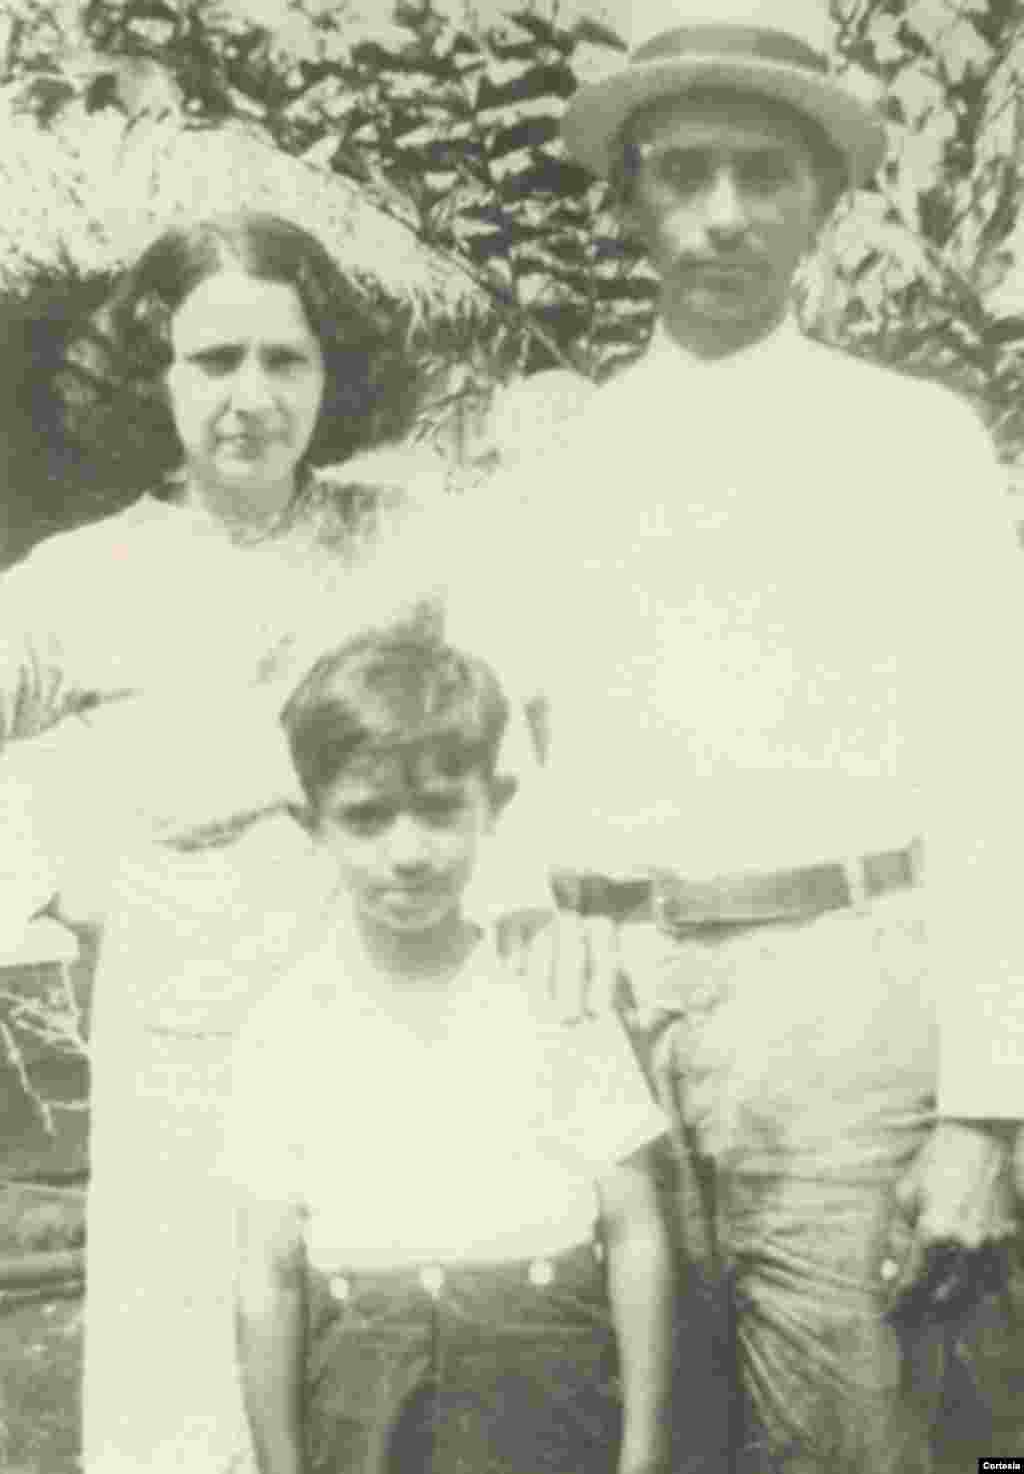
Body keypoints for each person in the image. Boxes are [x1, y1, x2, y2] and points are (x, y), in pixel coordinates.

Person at [445, 1, 1024, 1467]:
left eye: (763, 177)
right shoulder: (554, 454)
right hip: (602, 1011)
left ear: (824, 199)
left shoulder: (917, 443)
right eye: (684, 172)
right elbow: (476, 727)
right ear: (629, 195)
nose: (721, 216)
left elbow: (995, 767)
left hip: (839, 1003)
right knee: (616, 1430)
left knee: (849, 1427)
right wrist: (522, 894)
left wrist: (986, 1111)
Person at [0, 211, 448, 1473]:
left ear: (330, 371)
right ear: (155, 375)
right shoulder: (85, 575)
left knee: (379, 1374)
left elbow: (504, 736)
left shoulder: (402, 549)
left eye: (284, 360)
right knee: (186, 1400)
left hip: (386, 1014)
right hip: (183, 1049)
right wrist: (56, 850)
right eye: (213, 361)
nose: (250, 397)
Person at [226, 625, 677, 1474]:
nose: (408, 853)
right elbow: (269, 1276)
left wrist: (643, 1451)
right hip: (363, 1395)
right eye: (364, 818)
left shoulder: (553, 994)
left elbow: (636, 1229)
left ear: (492, 806)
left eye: (439, 810)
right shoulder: (287, 1023)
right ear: (309, 823)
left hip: (547, 1391)